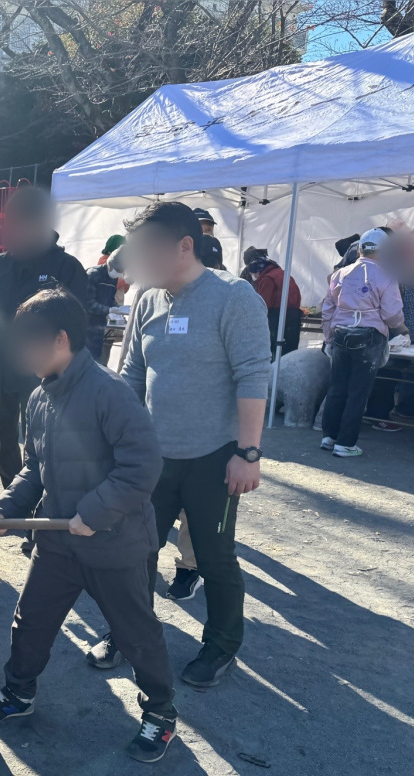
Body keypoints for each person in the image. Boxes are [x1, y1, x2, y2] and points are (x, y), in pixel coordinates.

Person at [0, 290, 176, 763]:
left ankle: (160, 713)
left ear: (60, 338)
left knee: (135, 633)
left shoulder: (110, 393)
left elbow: (142, 466)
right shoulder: (39, 398)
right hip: (58, 542)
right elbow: (33, 469)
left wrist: (96, 512)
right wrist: (5, 509)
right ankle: (18, 694)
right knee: (31, 623)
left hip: (115, 544)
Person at [119, 201, 270, 688]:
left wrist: (248, 453)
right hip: (153, 458)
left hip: (214, 458)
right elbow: (131, 374)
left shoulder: (233, 296)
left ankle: (222, 644)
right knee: (136, 550)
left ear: (184, 245)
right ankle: (132, 633)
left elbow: (253, 375)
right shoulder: (147, 298)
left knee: (213, 555)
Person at [0, 186, 88, 487]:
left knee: (45, 444)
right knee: (0, 439)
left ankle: (43, 506)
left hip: (46, 376)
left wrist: (69, 377)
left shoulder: (67, 268)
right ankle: (18, 503)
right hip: (1, 372)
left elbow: (79, 330)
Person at [319, 228, 408, 458]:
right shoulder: (386, 276)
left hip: (341, 334)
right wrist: (400, 327)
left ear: (359, 249)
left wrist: (328, 337)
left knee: (337, 387)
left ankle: (329, 436)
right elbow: (392, 315)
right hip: (368, 337)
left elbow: (328, 309)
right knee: (358, 392)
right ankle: (346, 443)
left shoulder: (340, 274)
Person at [246, 253, 303, 356]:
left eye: (254, 274)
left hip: (278, 320)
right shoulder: (283, 273)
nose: (254, 277)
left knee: (275, 352)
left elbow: (263, 304)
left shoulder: (268, 279)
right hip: (293, 318)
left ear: (259, 270)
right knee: (289, 354)